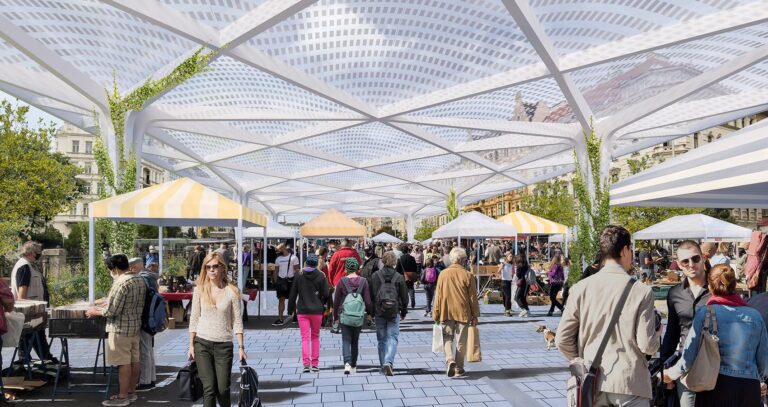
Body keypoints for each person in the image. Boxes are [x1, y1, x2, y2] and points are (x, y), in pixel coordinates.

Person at [556, 225, 660, 406]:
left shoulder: (581, 288)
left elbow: (562, 339)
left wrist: (580, 360)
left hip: (592, 380)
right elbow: (647, 346)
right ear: (625, 250)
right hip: (630, 381)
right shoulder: (641, 291)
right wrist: (657, 337)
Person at [664, 264, 768, 407]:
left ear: (710, 288)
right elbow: (764, 363)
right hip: (748, 389)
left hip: (714, 386)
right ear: (735, 285)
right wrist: (759, 379)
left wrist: (669, 374)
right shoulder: (755, 316)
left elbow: (688, 358)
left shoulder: (706, 313)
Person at [86, 254, 147, 407]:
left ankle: (122, 396)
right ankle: (131, 392)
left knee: (123, 363)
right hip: (135, 326)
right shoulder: (139, 279)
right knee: (135, 361)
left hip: (120, 328)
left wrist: (94, 311)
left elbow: (112, 311)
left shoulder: (121, 283)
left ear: (114, 269)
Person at [660, 240, 710, 407]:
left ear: (703, 258)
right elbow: (672, 333)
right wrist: (665, 368)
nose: (691, 264)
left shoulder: (718, 288)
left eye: (695, 259)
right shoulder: (675, 293)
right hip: (685, 366)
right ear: (679, 265)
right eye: (685, 261)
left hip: (715, 365)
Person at [433, 247, 480, 378]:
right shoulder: (468, 275)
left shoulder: (443, 274)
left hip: (446, 310)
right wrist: (475, 315)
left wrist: (435, 312)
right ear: (463, 260)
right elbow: (472, 297)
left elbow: (438, 295)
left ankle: (449, 359)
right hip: (463, 311)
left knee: (447, 337)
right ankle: (459, 368)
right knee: (461, 341)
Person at [11, 241, 56, 362]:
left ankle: (45, 358)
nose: (38, 255)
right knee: (27, 336)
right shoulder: (24, 266)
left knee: (37, 334)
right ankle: (24, 361)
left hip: (36, 310)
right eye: (37, 253)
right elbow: (22, 291)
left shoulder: (30, 265)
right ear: (30, 252)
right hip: (30, 311)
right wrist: (27, 310)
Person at [288, 254, 330, 372]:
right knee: (315, 337)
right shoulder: (321, 276)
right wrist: (321, 301)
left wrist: (290, 310)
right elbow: (326, 294)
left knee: (305, 338)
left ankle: (306, 364)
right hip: (317, 310)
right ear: (317, 264)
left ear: (306, 262)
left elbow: (293, 294)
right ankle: (315, 364)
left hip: (302, 310)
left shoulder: (299, 275)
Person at [370, 251, 408, 376]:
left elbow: (372, 295)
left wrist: (371, 312)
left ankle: (382, 367)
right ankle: (388, 362)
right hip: (394, 311)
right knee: (393, 337)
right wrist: (403, 311)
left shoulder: (376, 275)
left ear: (382, 261)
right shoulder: (398, 276)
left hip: (379, 311)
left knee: (382, 340)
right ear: (394, 262)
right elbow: (404, 296)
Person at [333, 258, 372, 374]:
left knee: (346, 340)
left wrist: (335, 317)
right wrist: (370, 314)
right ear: (357, 268)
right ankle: (354, 365)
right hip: (358, 315)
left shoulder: (342, 281)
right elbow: (368, 301)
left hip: (345, 315)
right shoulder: (364, 281)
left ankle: (347, 364)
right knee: (355, 341)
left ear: (346, 269)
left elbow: (336, 302)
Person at [131, 258, 159, 392]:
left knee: (144, 349)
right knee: (148, 348)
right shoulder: (150, 277)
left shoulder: (142, 279)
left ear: (134, 268)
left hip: (144, 317)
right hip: (151, 318)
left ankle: (145, 381)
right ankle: (151, 378)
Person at [273, 243, 299, 326]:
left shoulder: (293, 258)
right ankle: (280, 318)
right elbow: (276, 271)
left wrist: (297, 282)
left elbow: (297, 271)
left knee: (292, 299)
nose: (277, 251)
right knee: (281, 299)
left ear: (283, 249)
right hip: (281, 281)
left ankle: (294, 315)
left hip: (291, 281)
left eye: (278, 250)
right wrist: (276, 281)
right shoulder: (278, 259)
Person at [396, 244, 418, 309]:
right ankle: (412, 299)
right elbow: (415, 268)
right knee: (411, 288)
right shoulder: (412, 258)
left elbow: (397, 269)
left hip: (402, 276)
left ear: (402, 251)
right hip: (411, 276)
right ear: (408, 251)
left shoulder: (400, 259)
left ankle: (405, 304)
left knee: (403, 291)